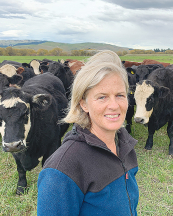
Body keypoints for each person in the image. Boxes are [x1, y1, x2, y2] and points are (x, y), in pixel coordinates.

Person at [37, 50, 139, 215]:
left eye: (120, 95)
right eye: (102, 97)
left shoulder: (125, 144)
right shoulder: (61, 170)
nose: (114, 105)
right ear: (83, 104)